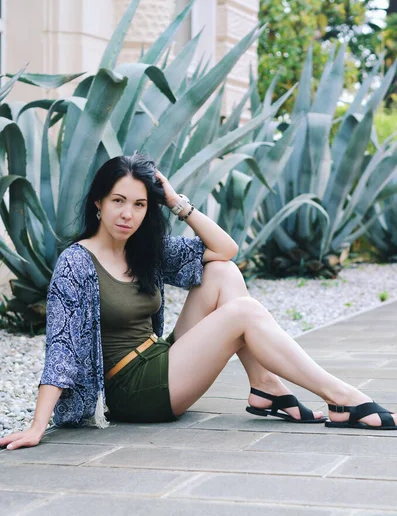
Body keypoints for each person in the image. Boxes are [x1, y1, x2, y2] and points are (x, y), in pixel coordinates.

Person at [1, 153, 396, 451]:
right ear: (97, 203)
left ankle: (265, 385)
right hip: (132, 390)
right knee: (244, 312)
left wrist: (175, 201)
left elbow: (225, 249)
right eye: (118, 201)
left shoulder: (144, 250)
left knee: (223, 273)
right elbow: (62, 348)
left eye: (139, 205)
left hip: (158, 358)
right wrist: (39, 426)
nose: (128, 214)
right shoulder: (76, 263)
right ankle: (341, 396)